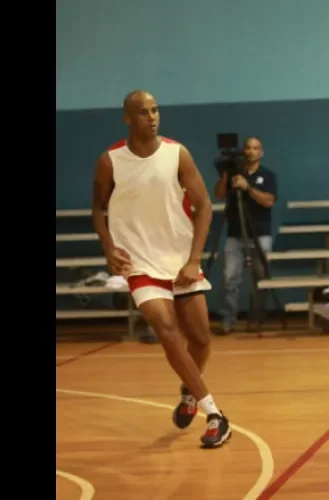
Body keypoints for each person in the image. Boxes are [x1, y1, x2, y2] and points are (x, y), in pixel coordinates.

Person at [91, 90, 232, 449]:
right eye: (143, 112)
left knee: (200, 340)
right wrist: (109, 248)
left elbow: (204, 206)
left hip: (179, 259)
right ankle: (215, 414)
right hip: (138, 262)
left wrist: (194, 260)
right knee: (167, 330)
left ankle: (189, 392)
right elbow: (98, 209)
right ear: (127, 118)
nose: (152, 117)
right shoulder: (110, 160)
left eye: (155, 111)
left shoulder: (177, 153)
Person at [213, 136, 277, 334]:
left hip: (260, 234)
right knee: (230, 278)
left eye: (255, 148)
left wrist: (247, 187)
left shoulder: (267, 176)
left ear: (261, 152)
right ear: (243, 151)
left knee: (260, 278)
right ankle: (228, 319)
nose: (251, 151)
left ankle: (256, 318)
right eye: (248, 148)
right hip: (235, 234)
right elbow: (219, 195)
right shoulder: (234, 174)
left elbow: (268, 201)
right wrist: (226, 175)